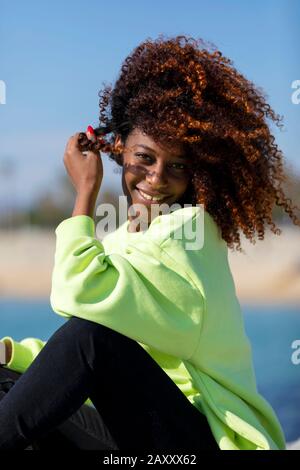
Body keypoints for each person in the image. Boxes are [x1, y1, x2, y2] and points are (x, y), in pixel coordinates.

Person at [1, 34, 299, 451]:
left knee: (89, 339)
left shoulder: (191, 233)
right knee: (6, 381)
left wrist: (85, 191)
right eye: (145, 157)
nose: (157, 177)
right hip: (146, 433)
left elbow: (77, 298)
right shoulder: (127, 237)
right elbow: (93, 353)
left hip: (204, 441)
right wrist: (11, 353)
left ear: (198, 173)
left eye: (177, 165)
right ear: (120, 148)